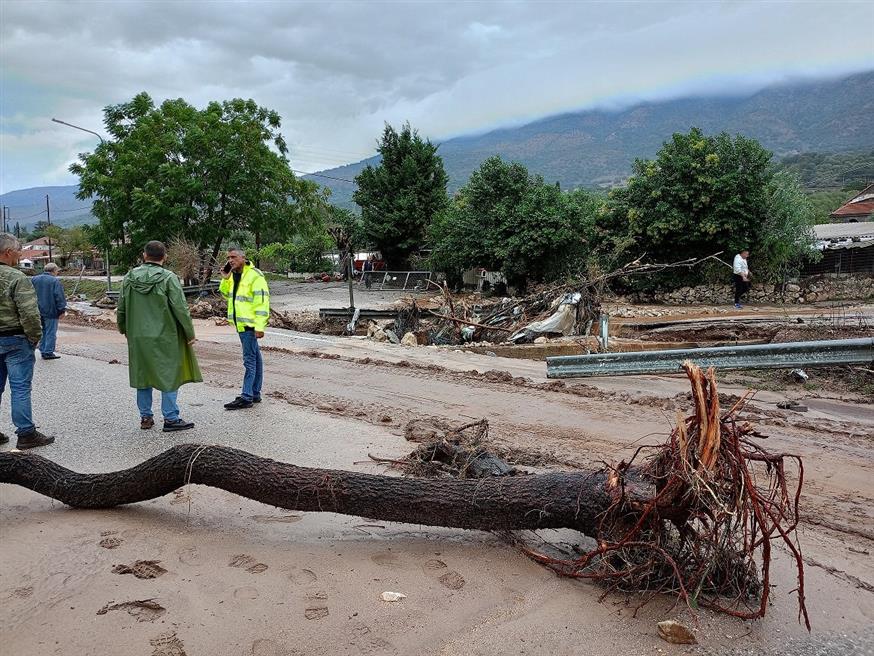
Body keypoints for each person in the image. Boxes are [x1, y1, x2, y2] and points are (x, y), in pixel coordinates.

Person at [117, 240, 201, 432]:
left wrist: (123, 329)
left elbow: (121, 308)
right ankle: (171, 418)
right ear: (165, 256)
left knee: (142, 375)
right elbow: (180, 308)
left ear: (144, 255)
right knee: (169, 374)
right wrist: (190, 333)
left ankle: (145, 417)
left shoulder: (129, 277)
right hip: (166, 335)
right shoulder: (169, 278)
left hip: (138, 335)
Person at [0, 232, 54, 448]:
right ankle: (26, 433)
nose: (20, 254)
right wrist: (35, 337)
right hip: (15, 339)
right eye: (18, 250)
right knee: (20, 387)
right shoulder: (17, 278)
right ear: (8, 252)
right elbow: (29, 313)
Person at [219, 246, 269, 410]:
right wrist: (225, 278)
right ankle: (254, 393)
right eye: (228, 258)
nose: (230, 260)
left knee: (249, 360)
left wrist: (260, 326)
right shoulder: (234, 275)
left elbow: (262, 302)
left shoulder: (255, 276)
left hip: (250, 324)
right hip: (240, 323)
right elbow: (226, 294)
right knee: (255, 357)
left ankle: (246, 396)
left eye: (233, 257)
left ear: (243, 258)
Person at [31, 262, 67, 360]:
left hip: (37, 309)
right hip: (51, 310)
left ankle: (43, 349)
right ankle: (48, 352)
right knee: (51, 332)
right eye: (57, 271)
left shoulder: (34, 279)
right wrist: (62, 310)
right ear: (54, 271)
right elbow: (59, 296)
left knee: (43, 330)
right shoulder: (54, 281)